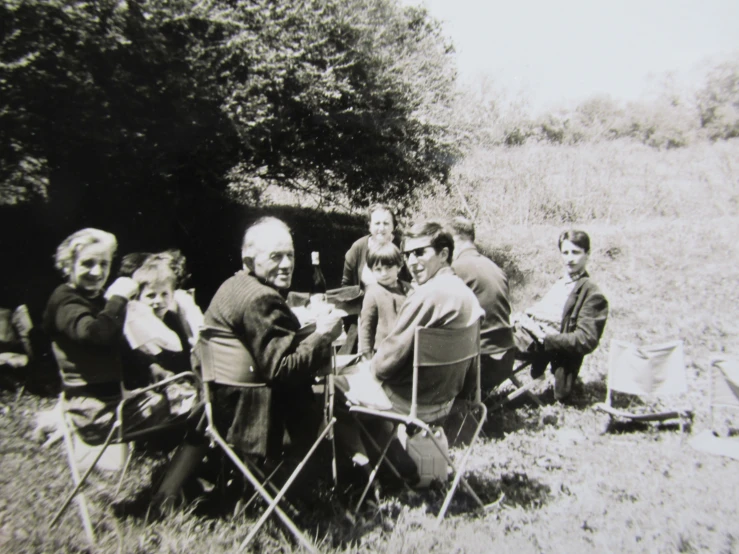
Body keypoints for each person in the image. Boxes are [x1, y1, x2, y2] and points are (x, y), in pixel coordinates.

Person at [203, 216, 343, 461]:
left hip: (220, 401)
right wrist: (323, 334)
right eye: (276, 257)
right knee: (339, 393)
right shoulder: (262, 299)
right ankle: (348, 474)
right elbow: (282, 369)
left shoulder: (231, 285)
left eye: (290, 255)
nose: (287, 264)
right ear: (249, 261)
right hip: (257, 414)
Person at [43, 228, 171, 444]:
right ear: (68, 265)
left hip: (109, 405)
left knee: (191, 403)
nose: (97, 272)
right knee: (188, 405)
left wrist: (151, 366)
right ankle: (178, 476)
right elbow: (95, 336)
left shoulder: (94, 300)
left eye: (104, 264)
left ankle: (183, 475)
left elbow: (118, 346)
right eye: (87, 263)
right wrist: (118, 298)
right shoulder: (65, 301)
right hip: (93, 415)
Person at [514, 229, 609, 401]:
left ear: (587, 254)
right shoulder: (562, 282)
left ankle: (474, 398)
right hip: (524, 329)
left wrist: (548, 339)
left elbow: (586, 339)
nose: (569, 258)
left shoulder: (592, 293)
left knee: (486, 345)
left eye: (575, 252)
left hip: (538, 342)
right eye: (565, 252)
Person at [449, 216, 516, 391]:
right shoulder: (496, 268)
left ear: (453, 240)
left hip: (479, 364)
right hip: (506, 359)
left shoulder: (456, 269)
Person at [358, 242, 412, 361]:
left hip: (408, 349)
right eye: (378, 269)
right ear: (371, 270)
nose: (384, 273)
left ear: (399, 266)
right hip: (384, 353)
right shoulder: (373, 293)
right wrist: (367, 356)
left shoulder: (408, 289)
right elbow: (366, 326)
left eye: (388, 268)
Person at [342, 203, 399, 288]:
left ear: (393, 226)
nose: (381, 228)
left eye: (386, 223)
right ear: (370, 226)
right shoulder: (358, 248)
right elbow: (346, 286)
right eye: (377, 223)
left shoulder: (402, 246)